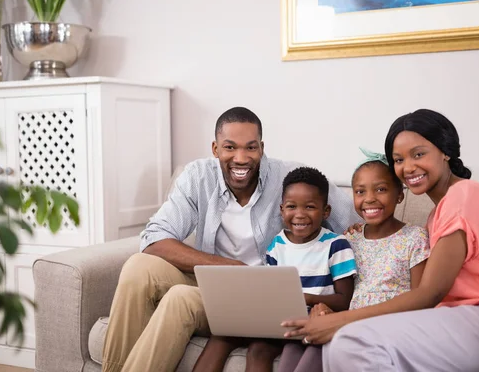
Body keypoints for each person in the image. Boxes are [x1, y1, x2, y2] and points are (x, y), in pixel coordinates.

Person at [282, 109, 479, 371]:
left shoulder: (464, 196)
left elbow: (428, 293)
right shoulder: (438, 213)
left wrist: (340, 321)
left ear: (445, 151)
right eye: (398, 160)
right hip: (458, 317)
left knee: (349, 342)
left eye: (418, 154)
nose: (408, 167)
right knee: (341, 343)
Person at [101, 107, 360, 372]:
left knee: (179, 298)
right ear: (215, 149)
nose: (241, 158)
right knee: (137, 265)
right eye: (230, 147)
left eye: (250, 147)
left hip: (260, 297)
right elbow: (154, 238)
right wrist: (228, 267)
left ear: (262, 147)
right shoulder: (198, 177)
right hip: (213, 283)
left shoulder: (291, 180)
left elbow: (358, 226)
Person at [278, 148, 429, 372]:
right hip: (344, 323)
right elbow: (341, 291)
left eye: (380, 189)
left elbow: (421, 299)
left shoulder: (414, 238)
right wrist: (324, 310)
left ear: (399, 194)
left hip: (385, 328)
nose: (369, 198)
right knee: (292, 348)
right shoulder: (349, 238)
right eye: (360, 191)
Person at [193, 166, 357, 372]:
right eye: (291, 206)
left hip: (314, 323)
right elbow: (270, 294)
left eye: (309, 207)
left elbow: (345, 300)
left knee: (259, 348)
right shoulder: (277, 245)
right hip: (280, 323)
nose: (299, 214)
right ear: (282, 210)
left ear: (326, 211)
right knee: (232, 339)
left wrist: (306, 298)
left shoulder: (336, 245)